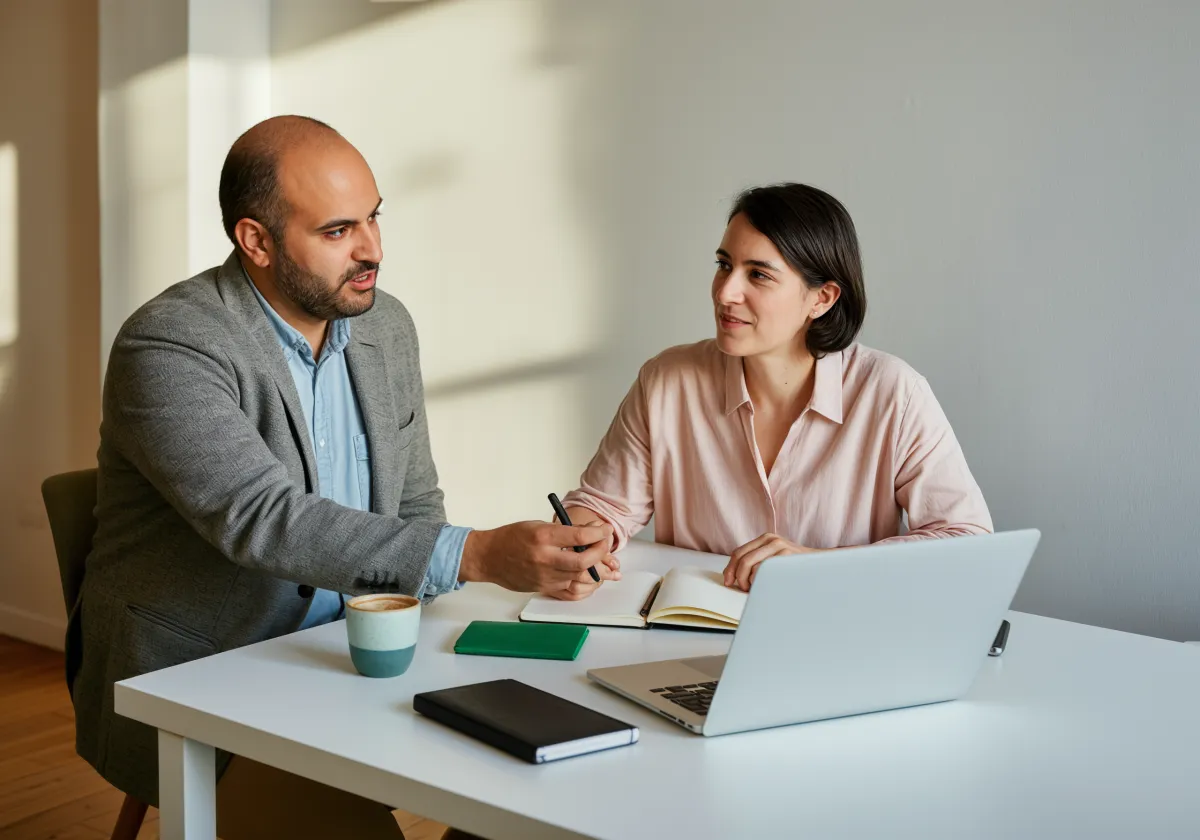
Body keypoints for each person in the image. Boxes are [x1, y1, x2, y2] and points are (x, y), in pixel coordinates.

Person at [71, 115, 617, 839]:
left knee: (558, 788)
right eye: (337, 232)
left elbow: (417, 501)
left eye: (374, 218)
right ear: (255, 241)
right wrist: (481, 554)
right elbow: (260, 517)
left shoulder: (385, 326)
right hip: (204, 673)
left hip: (359, 655)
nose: (373, 251)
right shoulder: (169, 343)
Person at [560, 182, 992, 597]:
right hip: (684, 638)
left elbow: (967, 543)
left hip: (835, 641)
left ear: (821, 298)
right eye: (724, 265)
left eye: (759, 275)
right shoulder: (666, 380)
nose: (726, 292)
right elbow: (605, 507)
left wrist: (815, 566)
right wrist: (579, 548)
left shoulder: (894, 393)